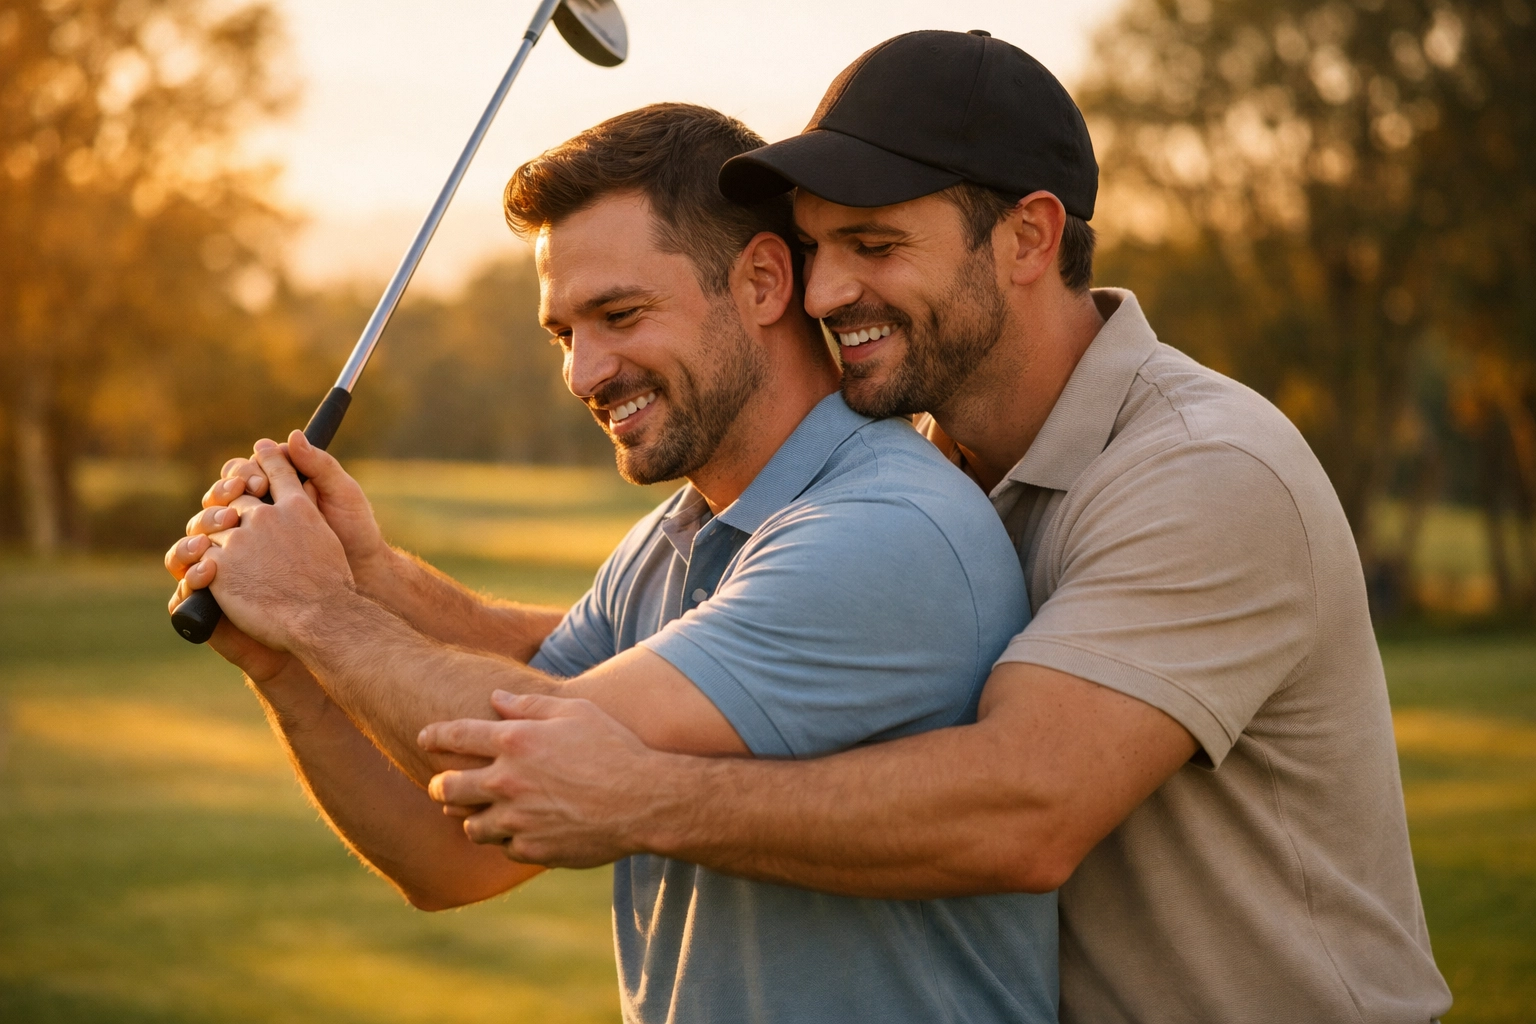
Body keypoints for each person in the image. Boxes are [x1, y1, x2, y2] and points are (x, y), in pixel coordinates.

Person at [419, 31, 1454, 1024]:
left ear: (1029, 237)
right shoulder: (924, 451)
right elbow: (738, 643)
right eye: (817, 247)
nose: (824, 293)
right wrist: (356, 574)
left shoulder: (1201, 471)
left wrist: (642, 797)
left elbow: (1025, 809)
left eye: (874, 244)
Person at [165, 103, 1059, 1024]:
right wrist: (288, 654)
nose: (585, 373)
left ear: (760, 282)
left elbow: (522, 752)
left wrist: (319, 610)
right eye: (563, 334)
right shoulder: (667, 546)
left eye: (620, 315)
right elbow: (455, 858)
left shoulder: (884, 529)